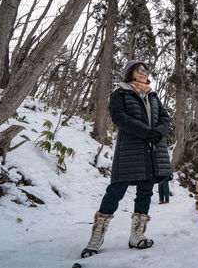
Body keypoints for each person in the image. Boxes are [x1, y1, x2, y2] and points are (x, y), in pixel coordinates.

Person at [81, 60, 173, 258]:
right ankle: (96, 238)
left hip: (152, 151)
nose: (143, 72)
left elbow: (165, 118)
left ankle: (137, 236)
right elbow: (118, 117)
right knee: (115, 191)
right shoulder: (120, 93)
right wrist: (145, 132)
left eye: (145, 70)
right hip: (130, 150)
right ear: (129, 73)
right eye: (139, 69)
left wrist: (158, 132)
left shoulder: (153, 95)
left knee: (145, 192)